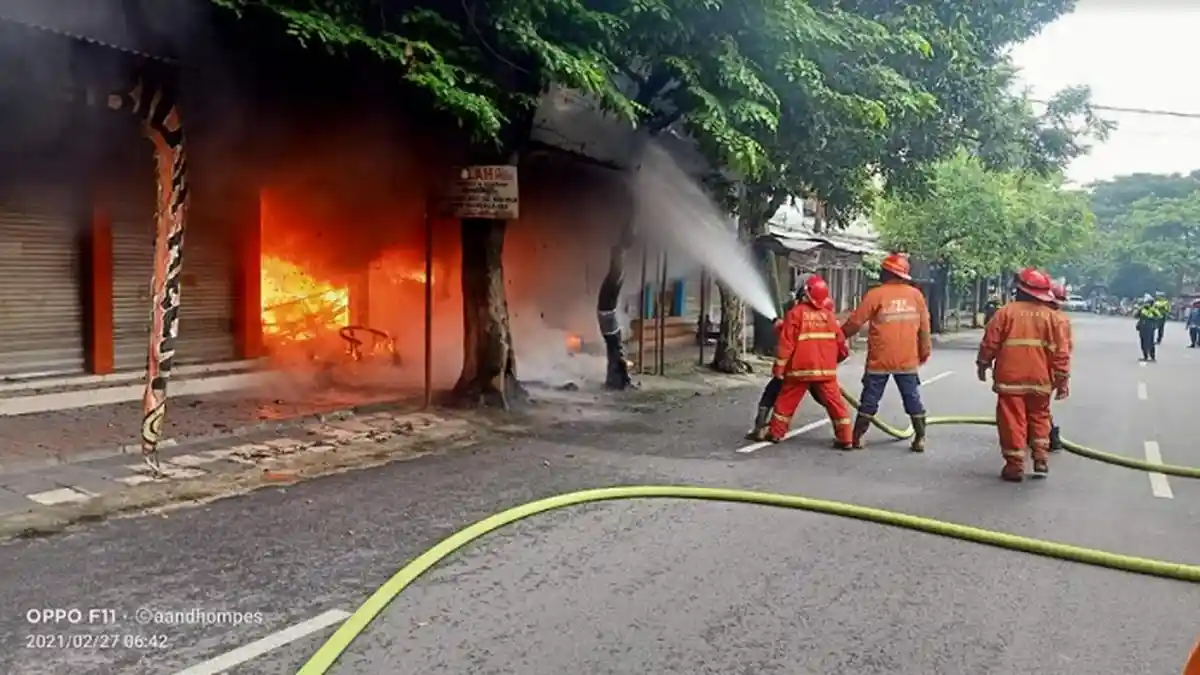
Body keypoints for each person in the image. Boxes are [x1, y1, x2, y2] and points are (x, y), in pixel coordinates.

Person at [976, 268, 1071, 482]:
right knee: (1040, 416)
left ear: (1020, 290)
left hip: (1011, 378)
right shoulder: (1053, 318)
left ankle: (1015, 465)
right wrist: (1062, 380)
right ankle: (1040, 459)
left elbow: (990, 343)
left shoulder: (1005, 313)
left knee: (1012, 420)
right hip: (1041, 380)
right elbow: (1062, 353)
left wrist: (982, 364)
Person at [840, 253, 933, 451]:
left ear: (888, 272)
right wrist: (924, 351)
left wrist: (838, 336)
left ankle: (857, 437)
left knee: (870, 399)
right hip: (907, 359)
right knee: (912, 398)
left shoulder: (876, 294)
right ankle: (920, 438)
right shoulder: (916, 295)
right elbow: (925, 327)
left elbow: (856, 322)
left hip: (879, 360)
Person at [765, 274, 853, 448]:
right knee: (836, 405)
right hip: (826, 372)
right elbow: (841, 344)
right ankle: (846, 439)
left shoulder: (795, 314)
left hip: (800, 371)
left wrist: (779, 369)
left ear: (806, 293)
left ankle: (775, 433)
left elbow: (786, 344)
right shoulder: (829, 317)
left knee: (785, 402)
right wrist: (835, 360)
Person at [745, 281, 836, 441]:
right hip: (819, 368)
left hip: (795, 368)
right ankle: (842, 424)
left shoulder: (797, 312)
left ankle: (763, 427)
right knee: (827, 399)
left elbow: (788, 340)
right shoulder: (825, 314)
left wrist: (779, 370)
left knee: (774, 393)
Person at [1047, 283, 1073, 452]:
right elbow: (1064, 351)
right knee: (1039, 408)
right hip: (1048, 372)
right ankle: (1046, 438)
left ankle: (1046, 436)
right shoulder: (1061, 319)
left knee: (1033, 409)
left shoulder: (1051, 318)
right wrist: (1062, 379)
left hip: (1039, 370)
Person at [1135, 295, 1160, 362]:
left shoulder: (1154, 310)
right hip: (1142, 328)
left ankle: (1152, 357)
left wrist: (1152, 316)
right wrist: (1139, 309)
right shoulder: (1142, 309)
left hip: (1150, 328)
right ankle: (1145, 356)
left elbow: (1158, 317)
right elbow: (1135, 315)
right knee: (1143, 343)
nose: (1146, 303)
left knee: (1150, 343)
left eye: (1148, 302)